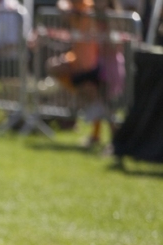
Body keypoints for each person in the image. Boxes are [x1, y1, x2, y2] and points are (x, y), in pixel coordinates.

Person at [46, 0, 126, 149]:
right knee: (98, 101)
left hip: (110, 68)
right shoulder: (91, 12)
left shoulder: (110, 17)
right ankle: (103, 138)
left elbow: (114, 43)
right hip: (100, 67)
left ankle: (117, 143)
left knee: (108, 107)